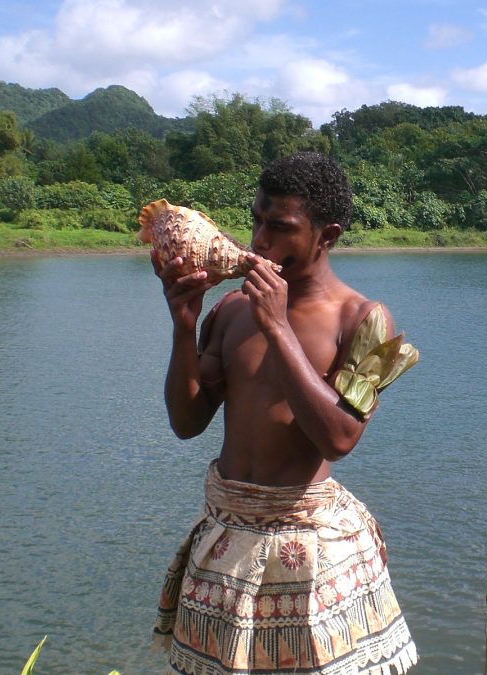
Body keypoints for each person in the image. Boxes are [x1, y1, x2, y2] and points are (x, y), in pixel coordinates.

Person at [151, 152, 418, 674]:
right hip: (228, 537)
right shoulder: (230, 310)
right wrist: (184, 327)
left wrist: (278, 327)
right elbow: (187, 423)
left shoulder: (364, 320)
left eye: (280, 227)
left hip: (310, 547)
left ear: (327, 234)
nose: (258, 241)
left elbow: (339, 438)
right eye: (255, 220)